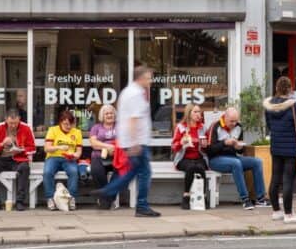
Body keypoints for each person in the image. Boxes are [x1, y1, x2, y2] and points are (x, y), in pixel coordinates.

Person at [92, 65, 161, 217]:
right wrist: (135, 142)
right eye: (149, 78)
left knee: (133, 172)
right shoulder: (136, 94)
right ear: (141, 77)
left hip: (131, 142)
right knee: (145, 173)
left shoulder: (127, 92)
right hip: (137, 142)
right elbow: (133, 119)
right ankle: (141, 205)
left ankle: (107, 192)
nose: (151, 81)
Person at [206, 107, 269, 210]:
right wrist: (224, 143)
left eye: (236, 121)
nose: (234, 123)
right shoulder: (215, 126)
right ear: (225, 117)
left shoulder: (239, 127)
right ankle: (245, 199)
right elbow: (209, 150)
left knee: (257, 162)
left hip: (233, 157)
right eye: (231, 121)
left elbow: (240, 150)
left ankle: (260, 199)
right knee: (236, 163)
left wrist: (239, 148)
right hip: (215, 159)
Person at [264, 77, 296, 223]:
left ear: (276, 87)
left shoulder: (269, 105)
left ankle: (276, 211)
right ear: (290, 88)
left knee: (275, 177)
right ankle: (289, 214)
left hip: (275, 145)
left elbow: (269, 125)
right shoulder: (294, 106)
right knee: (288, 179)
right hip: (291, 147)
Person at [0, 108, 35, 211]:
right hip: (2, 158)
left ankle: (20, 201)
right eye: (11, 123)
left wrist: (21, 149)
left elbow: (33, 148)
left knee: (25, 168)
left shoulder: (26, 128)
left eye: (15, 123)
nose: (13, 125)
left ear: (19, 120)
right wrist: (2, 144)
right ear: (6, 120)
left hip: (19, 159)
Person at [43, 110, 82, 211]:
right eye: (65, 124)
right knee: (47, 172)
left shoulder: (77, 132)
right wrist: (59, 147)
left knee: (74, 172)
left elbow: (79, 151)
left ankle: (71, 198)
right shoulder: (53, 130)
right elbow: (47, 148)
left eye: (70, 124)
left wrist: (75, 155)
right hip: (53, 157)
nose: (68, 126)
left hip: (68, 159)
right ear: (60, 122)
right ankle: (50, 198)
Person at [171, 103, 208, 210]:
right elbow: (174, 146)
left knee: (200, 168)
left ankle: (203, 197)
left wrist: (205, 146)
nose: (198, 114)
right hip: (184, 158)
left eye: (199, 112)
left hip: (199, 157)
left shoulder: (202, 127)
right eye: (195, 112)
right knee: (191, 167)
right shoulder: (181, 127)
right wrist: (182, 143)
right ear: (189, 113)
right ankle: (186, 196)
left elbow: (208, 148)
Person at [89, 104, 117, 193]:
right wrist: (108, 146)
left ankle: (108, 196)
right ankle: (105, 196)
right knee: (96, 171)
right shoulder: (96, 127)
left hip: (117, 157)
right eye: (107, 114)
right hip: (99, 157)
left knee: (121, 172)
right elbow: (94, 143)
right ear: (102, 116)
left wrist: (115, 148)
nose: (109, 115)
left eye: (111, 113)